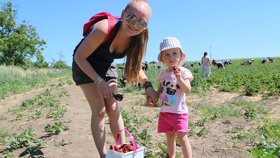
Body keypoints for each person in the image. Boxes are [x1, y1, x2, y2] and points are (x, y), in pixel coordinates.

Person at [71, 0, 157, 157]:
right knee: (99, 110)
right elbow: (79, 57)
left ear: (146, 24)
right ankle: (104, 155)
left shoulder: (138, 37)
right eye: (131, 18)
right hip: (85, 64)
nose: (135, 25)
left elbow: (135, 67)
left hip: (106, 64)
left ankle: (122, 152)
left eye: (141, 22)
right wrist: (99, 81)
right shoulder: (104, 28)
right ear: (123, 14)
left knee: (113, 108)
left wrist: (148, 86)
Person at [156, 37, 193, 158]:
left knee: (182, 138)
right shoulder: (162, 75)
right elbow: (160, 90)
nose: (171, 57)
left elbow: (187, 89)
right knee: (170, 138)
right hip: (165, 112)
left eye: (174, 53)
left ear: (181, 56)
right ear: (162, 58)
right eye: (166, 54)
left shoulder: (184, 72)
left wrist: (179, 78)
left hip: (179, 112)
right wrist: (154, 97)